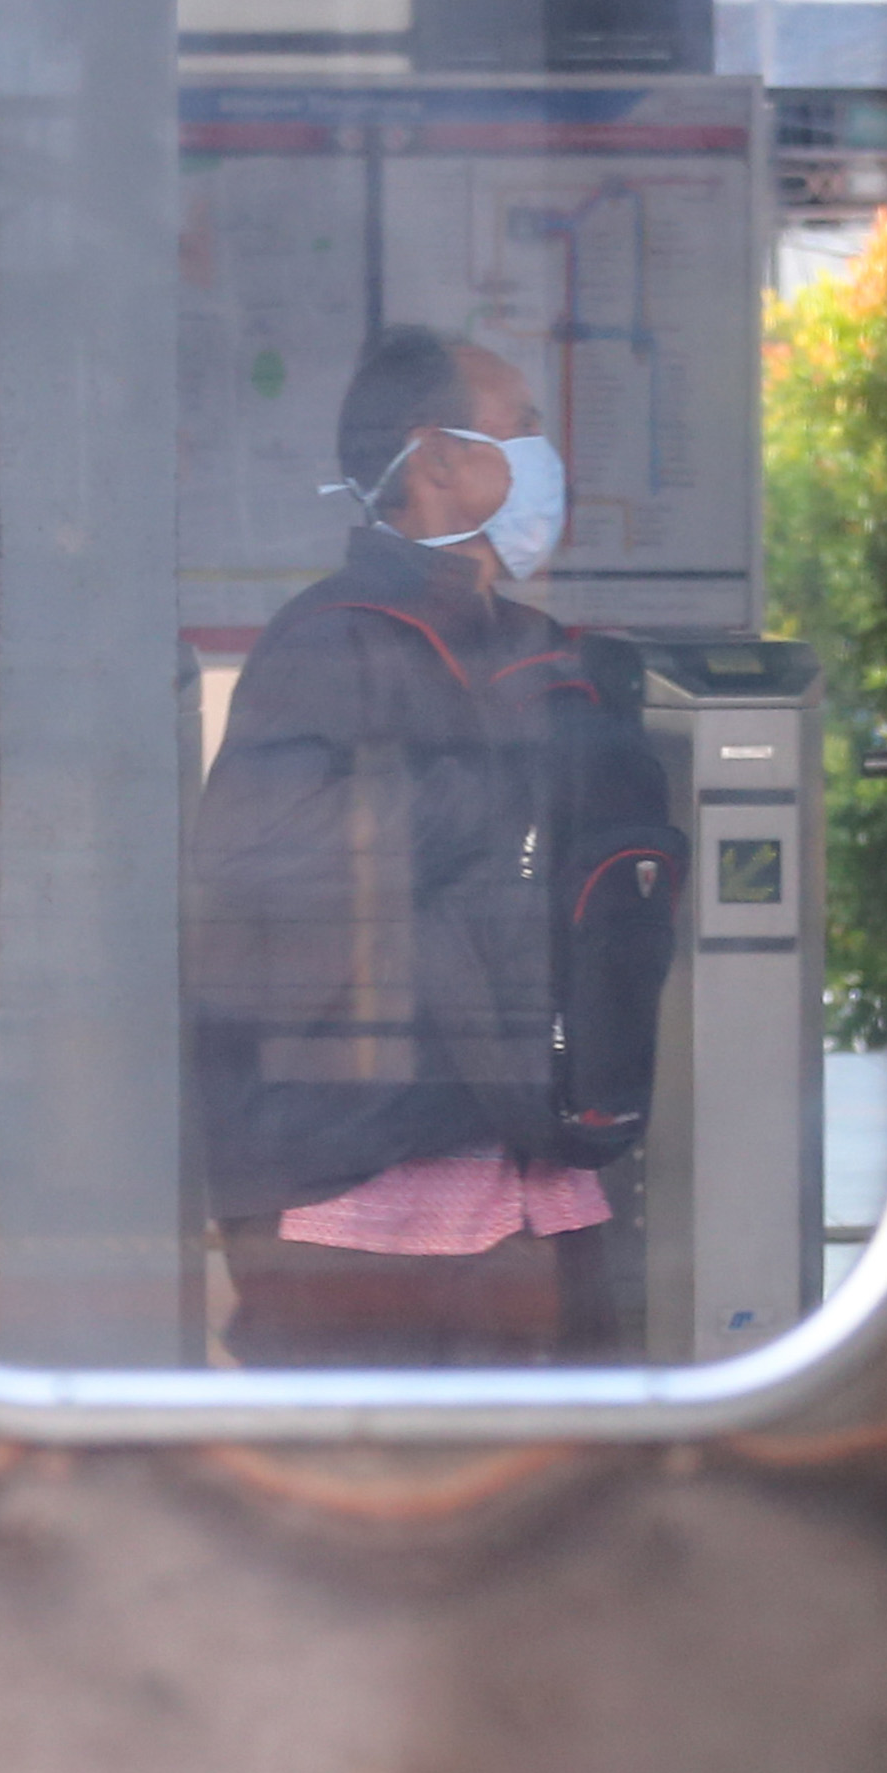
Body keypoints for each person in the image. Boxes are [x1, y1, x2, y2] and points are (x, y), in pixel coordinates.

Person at [184, 325, 683, 1366]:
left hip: (534, 1167)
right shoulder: (332, 639)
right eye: (525, 427)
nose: (549, 454)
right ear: (439, 458)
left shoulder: (535, 645)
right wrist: (497, 783)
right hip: (362, 1190)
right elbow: (257, 858)